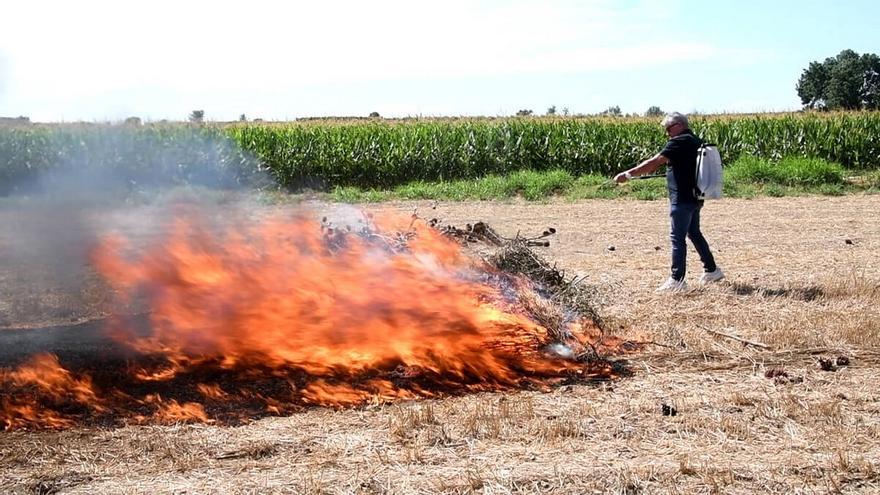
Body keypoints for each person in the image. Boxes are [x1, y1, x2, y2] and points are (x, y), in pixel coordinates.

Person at [613, 112, 725, 292]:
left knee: (677, 238)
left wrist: (627, 174)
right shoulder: (695, 140)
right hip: (695, 197)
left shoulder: (679, 141)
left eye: (669, 129)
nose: (668, 134)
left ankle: (677, 279)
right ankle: (711, 270)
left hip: (682, 199)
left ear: (679, 125)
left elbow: (655, 161)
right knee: (694, 233)